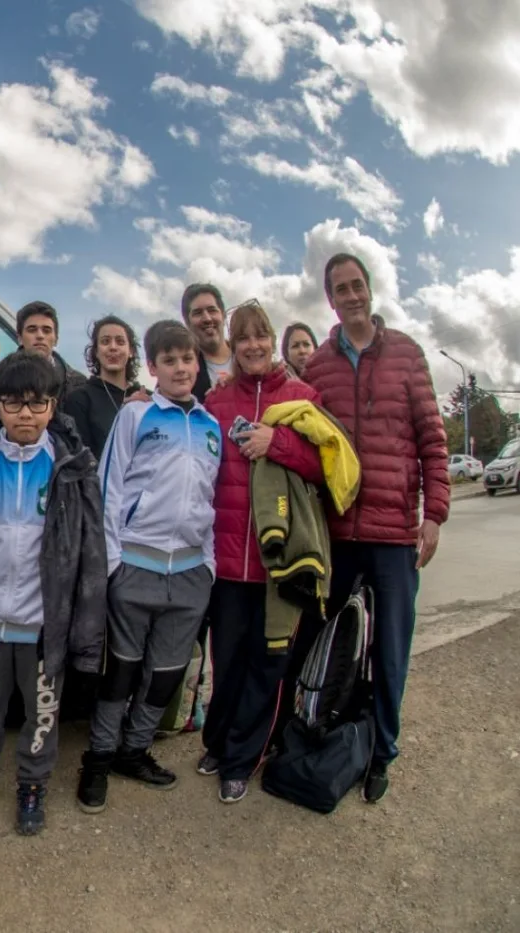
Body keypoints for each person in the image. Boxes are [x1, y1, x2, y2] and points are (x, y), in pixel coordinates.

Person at [0, 351, 107, 835]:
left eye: (36, 403)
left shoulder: (74, 467)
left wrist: (87, 639)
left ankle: (32, 783)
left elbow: (93, 554)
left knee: (40, 713)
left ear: (53, 406)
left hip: (45, 626)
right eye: (12, 404)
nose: (25, 414)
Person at [303, 252, 449, 803]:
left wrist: (432, 514)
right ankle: (325, 732)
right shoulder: (318, 366)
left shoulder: (407, 354)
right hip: (338, 534)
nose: (352, 295)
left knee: (390, 650)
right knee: (325, 644)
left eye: (358, 284)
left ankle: (382, 752)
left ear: (370, 289)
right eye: (341, 288)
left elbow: (433, 440)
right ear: (331, 299)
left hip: (393, 536)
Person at [76, 321, 219, 814]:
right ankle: (98, 758)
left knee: (166, 674)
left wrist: (210, 567)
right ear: (153, 368)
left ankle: (134, 751)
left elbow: (212, 499)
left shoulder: (210, 425)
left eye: (188, 360)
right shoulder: (136, 415)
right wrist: (113, 563)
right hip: (135, 565)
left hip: (190, 574)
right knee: (122, 671)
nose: (180, 368)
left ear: (197, 366)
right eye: (170, 361)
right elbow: (109, 487)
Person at [200, 302, 324, 804]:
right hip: (227, 563)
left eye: (260, 336)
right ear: (233, 343)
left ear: (272, 339)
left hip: (280, 565)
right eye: (242, 337)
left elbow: (326, 466)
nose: (252, 345)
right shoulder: (215, 401)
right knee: (226, 660)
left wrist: (280, 445)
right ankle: (218, 740)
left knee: (266, 666)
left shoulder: (302, 398)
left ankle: (241, 758)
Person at [62, 315, 147, 459]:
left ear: (131, 351)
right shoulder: (79, 400)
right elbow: (81, 460)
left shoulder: (148, 398)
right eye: (105, 341)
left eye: (120, 342)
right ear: (96, 351)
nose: (113, 347)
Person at [14, 301, 87, 402]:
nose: (40, 336)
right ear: (19, 338)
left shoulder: (78, 383)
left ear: (56, 339)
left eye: (46, 330)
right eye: (32, 330)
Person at [180, 283, 233, 401]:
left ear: (223, 316)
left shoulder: (247, 357)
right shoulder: (181, 369)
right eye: (198, 313)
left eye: (212, 310)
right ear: (187, 323)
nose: (207, 319)